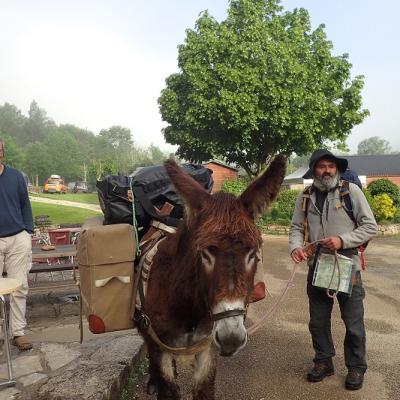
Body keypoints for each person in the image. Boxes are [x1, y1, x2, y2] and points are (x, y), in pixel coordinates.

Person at [289, 149, 377, 391]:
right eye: (321, 166)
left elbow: (370, 226)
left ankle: (356, 367)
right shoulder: (305, 196)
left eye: (330, 166)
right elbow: (296, 227)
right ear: (314, 170)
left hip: (347, 263)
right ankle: (323, 361)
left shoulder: (351, 192)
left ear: (336, 169)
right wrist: (296, 247)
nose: (326, 170)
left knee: (353, 321)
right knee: (317, 321)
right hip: (317, 265)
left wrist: (343, 240)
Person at [0, 138, 34, 351]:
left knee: (19, 287)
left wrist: (27, 230)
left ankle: (18, 333)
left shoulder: (16, 177)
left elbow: (25, 204)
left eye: (0, 148)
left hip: (17, 238)